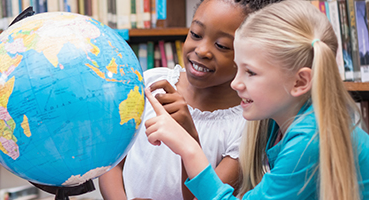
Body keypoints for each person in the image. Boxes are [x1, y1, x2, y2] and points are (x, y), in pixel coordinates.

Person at [144, 1, 369, 199]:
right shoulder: (279, 119)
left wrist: (187, 146)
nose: (235, 84)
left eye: (250, 72)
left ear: (300, 82)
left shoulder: (311, 139)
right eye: (238, 69)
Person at [99, 0, 279, 199]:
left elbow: (206, 196)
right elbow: (111, 162)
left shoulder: (248, 126)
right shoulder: (150, 82)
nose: (202, 50)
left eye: (222, 45)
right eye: (195, 34)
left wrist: (188, 136)